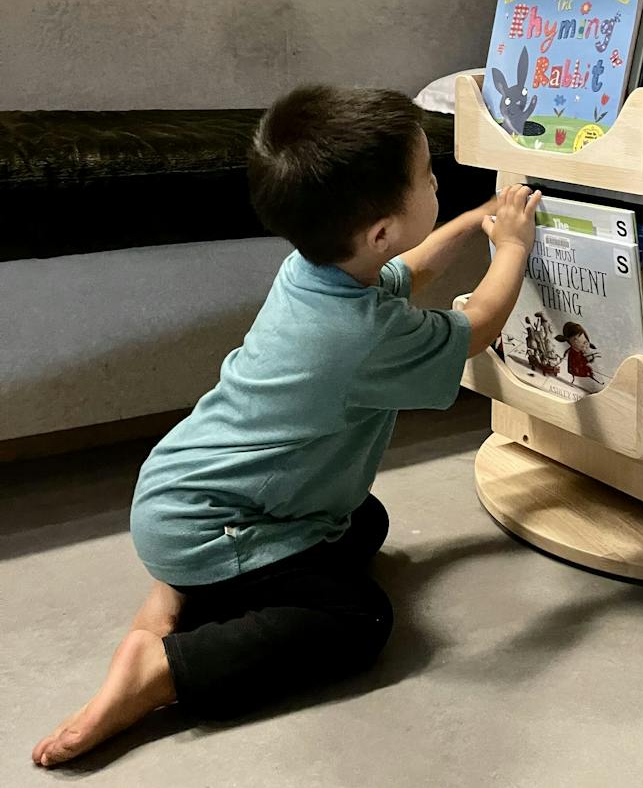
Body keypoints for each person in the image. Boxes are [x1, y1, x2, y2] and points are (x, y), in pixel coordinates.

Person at [32, 85, 541, 768]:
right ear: (379, 231)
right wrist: (513, 247)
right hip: (212, 523)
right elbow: (477, 326)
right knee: (359, 617)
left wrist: (478, 218)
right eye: (428, 177)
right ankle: (164, 667)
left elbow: (410, 270)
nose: (436, 184)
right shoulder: (360, 335)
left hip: (186, 492)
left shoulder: (315, 271)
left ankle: (181, 588)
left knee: (363, 521)